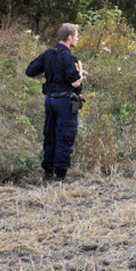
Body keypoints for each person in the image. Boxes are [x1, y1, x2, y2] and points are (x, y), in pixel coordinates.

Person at [25, 23, 84, 183]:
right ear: (69, 37)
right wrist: (80, 70)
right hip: (64, 102)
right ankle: (60, 176)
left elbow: (30, 71)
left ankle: (47, 172)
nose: (77, 39)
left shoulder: (48, 54)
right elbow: (76, 83)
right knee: (65, 136)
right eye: (76, 36)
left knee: (50, 135)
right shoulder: (69, 57)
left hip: (50, 100)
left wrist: (48, 74)